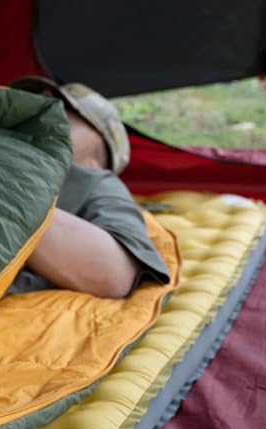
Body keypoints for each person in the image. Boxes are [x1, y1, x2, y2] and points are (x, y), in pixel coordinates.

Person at [9, 77, 170, 298]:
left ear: (96, 157)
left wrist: (3, 196)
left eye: (65, 108)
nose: (43, 106)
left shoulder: (98, 184)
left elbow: (115, 273)